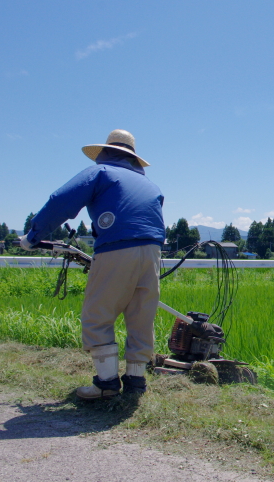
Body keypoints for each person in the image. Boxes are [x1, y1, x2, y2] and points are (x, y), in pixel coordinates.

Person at [20, 130, 165, 399]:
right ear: (132, 158)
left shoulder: (100, 173)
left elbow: (60, 202)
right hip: (153, 252)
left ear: (106, 152)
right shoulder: (152, 186)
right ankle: (136, 381)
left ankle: (106, 384)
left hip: (117, 247)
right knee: (140, 315)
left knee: (98, 314)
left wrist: (33, 236)